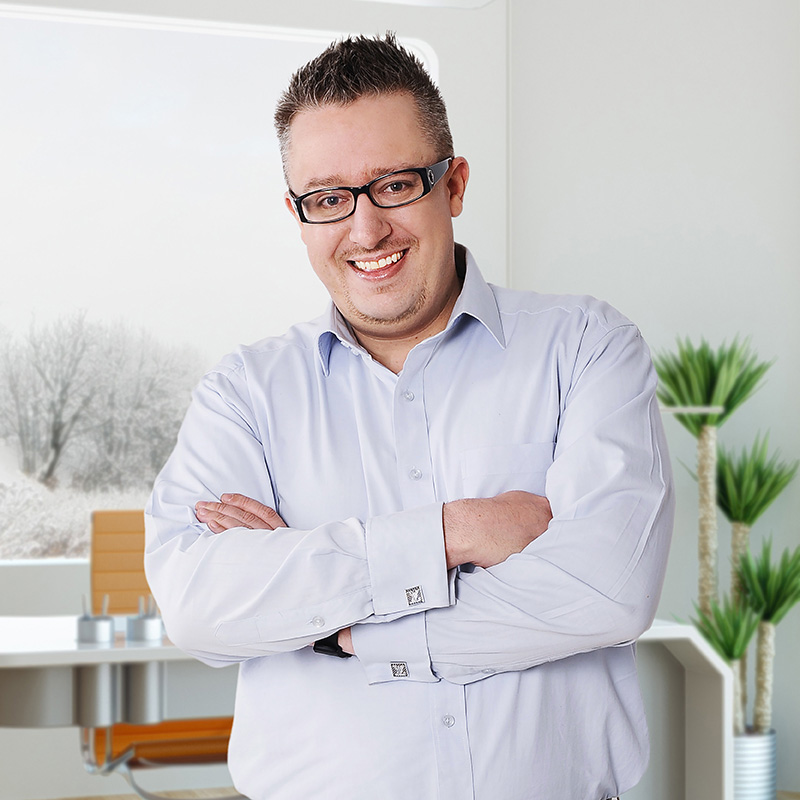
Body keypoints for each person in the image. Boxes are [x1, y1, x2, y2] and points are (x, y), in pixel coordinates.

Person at [145, 33, 674, 800]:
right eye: (328, 199)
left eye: (393, 185)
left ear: (452, 185)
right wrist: (452, 533)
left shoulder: (588, 348)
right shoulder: (245, 394)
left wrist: (335, 628)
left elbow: (606, 590)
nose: (365, 231)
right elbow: (200, 606)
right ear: (298, 215)